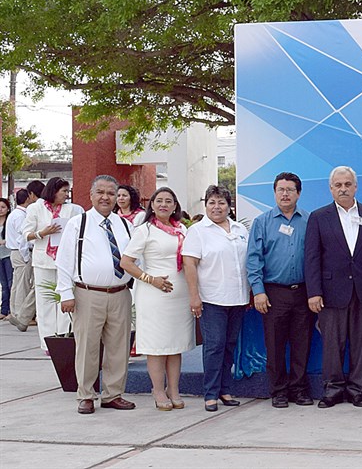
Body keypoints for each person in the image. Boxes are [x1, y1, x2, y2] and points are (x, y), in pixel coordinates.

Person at [55, 175, 136, 414]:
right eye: (100, 192)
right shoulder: (77, 224)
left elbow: (133, 258)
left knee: (118, 347)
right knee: (87, 346)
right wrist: (65, 294)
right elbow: (64, 262)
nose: (106, 197)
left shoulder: (124, 225)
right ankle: (86, 395)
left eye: (111, 193)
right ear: (91, 195)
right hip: (88, 294)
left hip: (120, 294)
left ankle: (113, 394)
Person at [306, 166, 362, 408]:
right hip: (329, 292)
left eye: (347, 184)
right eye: (338, 185)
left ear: (355, 187)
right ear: (331, 188)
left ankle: (358, 390)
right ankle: (333, 390)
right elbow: (312, 257)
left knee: (360, 344)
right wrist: (314, 292)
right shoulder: (318, 217)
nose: (343, 189)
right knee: (332, 345)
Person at [118, 187, 193, 411]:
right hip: (154, 294)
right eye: (159, 201)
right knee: (157, 345)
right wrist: (151, 279)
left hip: (179, 295)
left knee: (175, 344)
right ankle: (158, 390)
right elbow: (126, 262)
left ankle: (174, 389)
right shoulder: (144, 231)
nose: (163, 205)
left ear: (175, 206)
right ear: (151, 205)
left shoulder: (182, 229)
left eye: (168, 201)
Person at [247, 172, 314, 409]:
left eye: (290, 190)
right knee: (275, 345)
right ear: (275, 193)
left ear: (298, 193)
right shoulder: (262, 222)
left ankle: (299, 389)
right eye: (280, 190)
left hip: (303, 292)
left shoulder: (309, 221)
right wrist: (258, 291)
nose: (285, 194)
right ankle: (279, 391)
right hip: (273, 293)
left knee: (302, 344)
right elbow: (253, 259)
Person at [182, 185, 250, 412]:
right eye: (212, 202)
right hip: (212, 299)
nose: (216, 207)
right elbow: (190, 264)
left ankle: (225, 389)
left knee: (230, 345)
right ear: (206, 205)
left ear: (229, 206)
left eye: (221, 202)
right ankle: (210, 394)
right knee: (214, 346)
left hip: (238, 298)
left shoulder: (240, 229)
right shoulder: (198, 231)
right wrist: (194, 296)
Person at [24, 177, 84, 350]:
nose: (66, 194)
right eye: (64, 191)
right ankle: (47, 343)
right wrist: (42, 233)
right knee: (45, 302)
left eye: (68, 191)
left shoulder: (74, 209)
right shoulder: (36, 208)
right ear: (53, 191)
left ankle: (64, 339)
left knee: (65, 298)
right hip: (43, 260)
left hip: (66, 260)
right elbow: (26, 234)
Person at [6, 189, 37, 331]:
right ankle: (19, 314)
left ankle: (15, 311)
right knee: (22, 284)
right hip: (20, 253)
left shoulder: (15, 214)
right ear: (28, 198)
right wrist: (26, 256)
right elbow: (22, 239)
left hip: (16, 252)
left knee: (17, 283)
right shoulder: (20, 216)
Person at [1, 198, 12, 320]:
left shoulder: (9, 221)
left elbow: (14, 238)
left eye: (3, 207)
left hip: (8, 255)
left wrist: (4, 241)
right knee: (3, 284)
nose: (0, 209)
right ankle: (3, 309)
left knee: (10, 283)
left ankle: (10, 310)